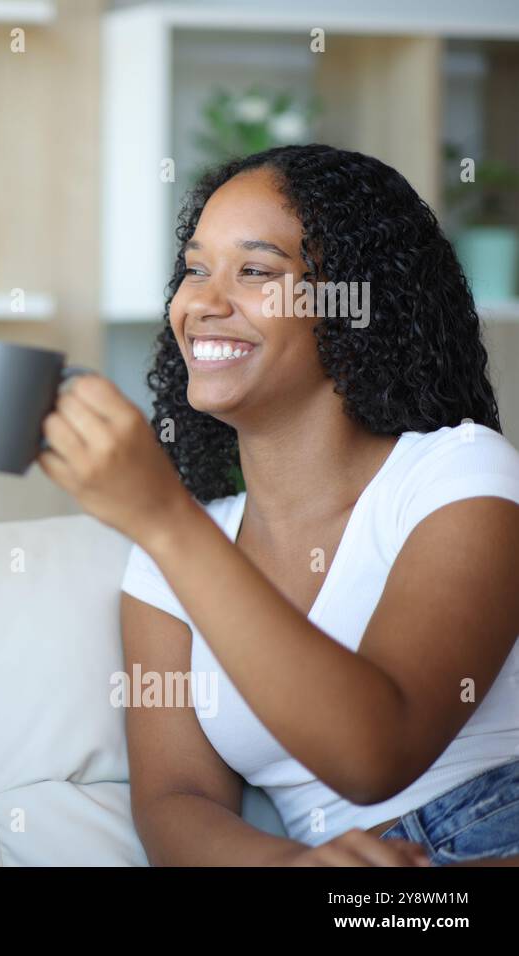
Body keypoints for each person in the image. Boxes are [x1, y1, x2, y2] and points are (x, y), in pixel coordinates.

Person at [37, 144, 519, 866]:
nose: (203, 303)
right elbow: (176, 801)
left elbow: (377, 751)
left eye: (256, 271)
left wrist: (162, 517)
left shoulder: (458, 473)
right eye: (196, 269)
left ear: (356, 306)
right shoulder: (170, 559)